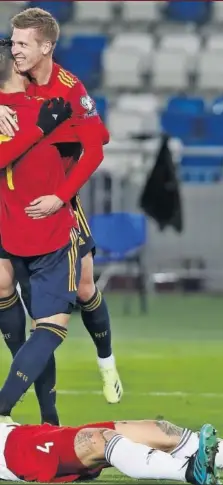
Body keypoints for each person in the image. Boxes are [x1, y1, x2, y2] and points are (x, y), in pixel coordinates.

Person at [0, 7, 123, 406]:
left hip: (57, 199)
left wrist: (60, 196)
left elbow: (95, 144)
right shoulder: (9, 79)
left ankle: (107, 362)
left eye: (22, 43)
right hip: (12, 202)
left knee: (86, 287)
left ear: (46, 46)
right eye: (12, 42)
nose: (14, 49)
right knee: (11, 291)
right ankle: (32, 405)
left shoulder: (68, 88)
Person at [0, 37, 81, 424]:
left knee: (29, 329)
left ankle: (48, 418)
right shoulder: (43, 112)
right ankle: (18, 409)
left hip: (11, 228)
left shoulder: (23, 109)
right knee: (48, 328)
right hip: (41, 233)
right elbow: (92, 143)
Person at [0, 416, 223, 483]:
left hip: (28, 433)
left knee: (159, 430)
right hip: (13, 450)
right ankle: (190, 472)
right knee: (98, 441)